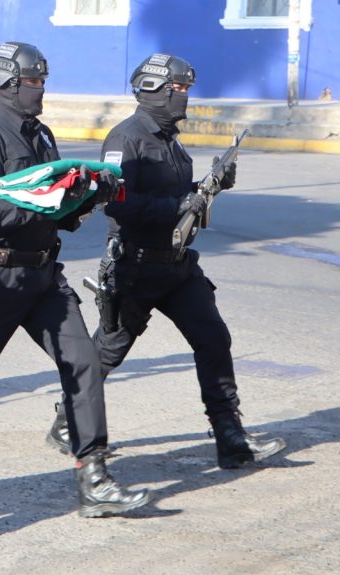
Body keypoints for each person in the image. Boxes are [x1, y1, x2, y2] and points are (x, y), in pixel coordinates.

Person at [0, 42, 150, 518]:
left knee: (83, 363)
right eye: (33, 81)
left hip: (42, 275)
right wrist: (54, 196)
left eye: (41, 80)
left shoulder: (42, 135)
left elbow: (55, 211)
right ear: (5, 84)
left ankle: (93, 475)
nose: (40, 89)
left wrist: (86, 195)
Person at [45, 54, 287, 470]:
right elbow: (116, 204)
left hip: (178, 265)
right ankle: (67, 421)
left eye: (186, 90)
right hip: (136, 268)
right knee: (108, 352)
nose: (184, 97)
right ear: (154, 89)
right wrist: (176, 203)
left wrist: (210, 187)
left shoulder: (169, 137)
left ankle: (230, 435)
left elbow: (182, 199)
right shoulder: (126, 140)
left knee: (213, 339)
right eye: (178, 89)